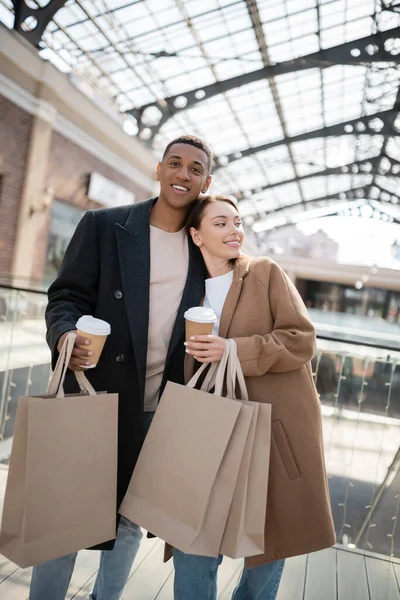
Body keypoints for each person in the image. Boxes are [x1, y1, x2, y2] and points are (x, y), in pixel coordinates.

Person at [30, 135, 213, 600]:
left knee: (132, 516)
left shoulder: (205, 248)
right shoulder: (104, 225)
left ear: (206, 181)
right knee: (66, 517)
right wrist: (66, 335)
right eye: (175, 163)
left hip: (161, 404)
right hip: (96, 390)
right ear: (158, 169)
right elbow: (65, 295)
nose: (183, 174)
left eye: (195, 169)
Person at [172, 195, 336, 600]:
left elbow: (301, 339)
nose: (234, 231)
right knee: (191, 541)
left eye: (237, 222)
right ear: (196, 235)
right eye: (221, 224)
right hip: (205, 430)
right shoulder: (184, 290)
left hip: (267, 429)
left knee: (267, 542)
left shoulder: (264, 272)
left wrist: (233, 349)